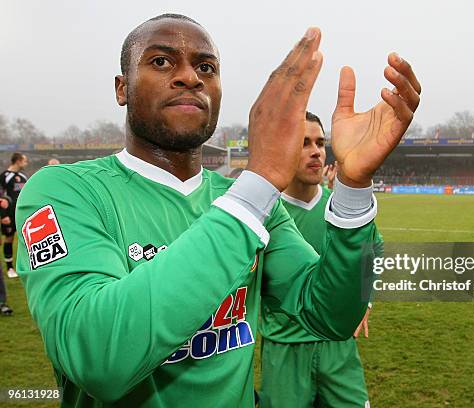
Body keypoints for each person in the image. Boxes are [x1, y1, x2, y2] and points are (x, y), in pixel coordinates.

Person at [16, 14, 420, 407]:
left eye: (206, 67)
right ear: (122, 88)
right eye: (161, 61)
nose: (190, 76)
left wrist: (352, 184)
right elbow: (99, 358)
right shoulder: (65, 191)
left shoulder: (252, 202)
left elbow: (331, 314)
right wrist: (256, 185)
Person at [259, 111, 383, 407]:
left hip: (337, 346)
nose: (315, 151)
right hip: (285, 348)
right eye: (303, 143)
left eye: (319, 142)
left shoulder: (342, 209)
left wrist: (364, 299)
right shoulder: (264, 214)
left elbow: (372, 250)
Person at [1, 152, 29, 278]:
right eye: (24, 161)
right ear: (18, 161)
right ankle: (10, 268)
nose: (26, 163)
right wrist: (3, 215)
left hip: (23, 213)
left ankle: (28, 266)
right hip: (9, 214)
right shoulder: (4, 176)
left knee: (28, 240)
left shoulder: (23, 176)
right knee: (9, 238)